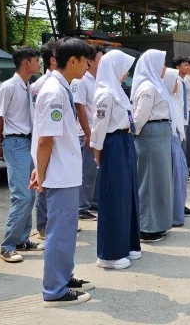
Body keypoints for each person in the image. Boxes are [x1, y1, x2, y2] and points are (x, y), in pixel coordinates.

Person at [30, 37, 95, 307]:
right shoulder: (54, 92)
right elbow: (46, 139)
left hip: (65, 171)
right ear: (73, 61)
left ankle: (64, 277)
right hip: (58, 174)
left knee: (67, 230)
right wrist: (41, 174)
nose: (88, 65)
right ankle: (54, 290)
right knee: (59, 231)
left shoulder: (62, 87)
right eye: (85, 60)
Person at [90, 50, 141, 270]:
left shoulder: (118, 91)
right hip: (112, 145)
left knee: (128, 195)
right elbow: (99, 129)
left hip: (125, 141)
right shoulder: (105, 94)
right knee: (114, 197)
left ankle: (128, 243)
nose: (126, 72)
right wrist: (98, 155)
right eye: (124, 67)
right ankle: (109, 254)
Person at [0, 46, 43, 263]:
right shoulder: (9, 87)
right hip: (15, 142)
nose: (39, 64)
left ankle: (22, 239)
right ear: (26, 63)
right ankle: (7, 246)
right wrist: (1, 144)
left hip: (27, 142)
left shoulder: (27, 86)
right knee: (21, 195)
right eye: (36, 60)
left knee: (30, 193)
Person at [131, 50, 176, 242]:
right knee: (150, 181)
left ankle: (158, 223)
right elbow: (139, 117)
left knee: (160, 180)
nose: (165, 68)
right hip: (151, 134)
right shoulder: (148, 87)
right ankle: (147, 227)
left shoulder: (155, 85)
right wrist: (133, 133)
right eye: (162, 64)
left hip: (159, 134)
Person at [73, 45, 104, 222]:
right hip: (86, 132)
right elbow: (80, 107)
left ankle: (92, 202)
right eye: (100, 59)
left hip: (97, 132)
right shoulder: (81, 81)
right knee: (87, 171)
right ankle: (81, 207)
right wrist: (87, 132)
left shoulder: (98, 80)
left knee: (95, 170)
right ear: (90, 61)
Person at [30, 42, 55, 239]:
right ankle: (43, 226)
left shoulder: (63, 82)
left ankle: (54, 222)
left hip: (55, 139)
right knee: (43, 182)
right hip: (44, 138)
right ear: (53, 60)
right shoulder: (40, 85)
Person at [163, 68, 190, 226]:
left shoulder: (173, 98)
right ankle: (174, 213)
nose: (177, 85)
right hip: (169, 141)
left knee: (181, 176)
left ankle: (179, 208)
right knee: (175, 177)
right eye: (174, 81)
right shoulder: (164, 100)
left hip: (176, 140)